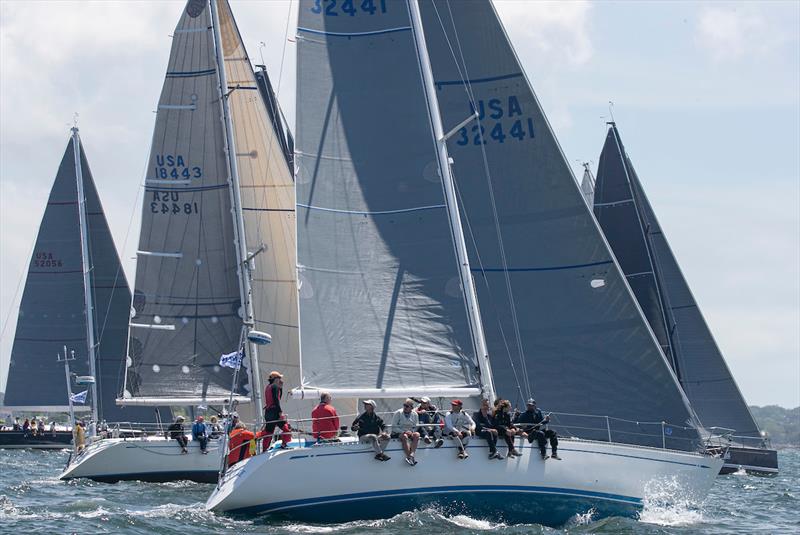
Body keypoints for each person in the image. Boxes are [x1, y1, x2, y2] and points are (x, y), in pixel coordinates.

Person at [391, 398, 420, 466]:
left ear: (411, 408)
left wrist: (412, 431)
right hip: (398, 432)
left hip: (410, 432)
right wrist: (404, 432)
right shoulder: (398, 413)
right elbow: (394, 427)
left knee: (417, 434)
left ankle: (412, 454)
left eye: (407, 406)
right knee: (404, 436)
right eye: (404, 405)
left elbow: (417, 426)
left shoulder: (415, 414)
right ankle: (408, 456)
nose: (405, 407)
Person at [262, 371, 284, 448]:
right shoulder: (275, 386)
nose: (280, 380)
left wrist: (280, 388)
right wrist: (280, 411)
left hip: (268, 413)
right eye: (279, 378)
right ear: (276, 379)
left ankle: (265, 449)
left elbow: (276, 398)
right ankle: (284, 444)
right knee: (286, 428)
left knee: (269, 432)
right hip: (274, 412)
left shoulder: (268, 387)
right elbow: (276, 400)